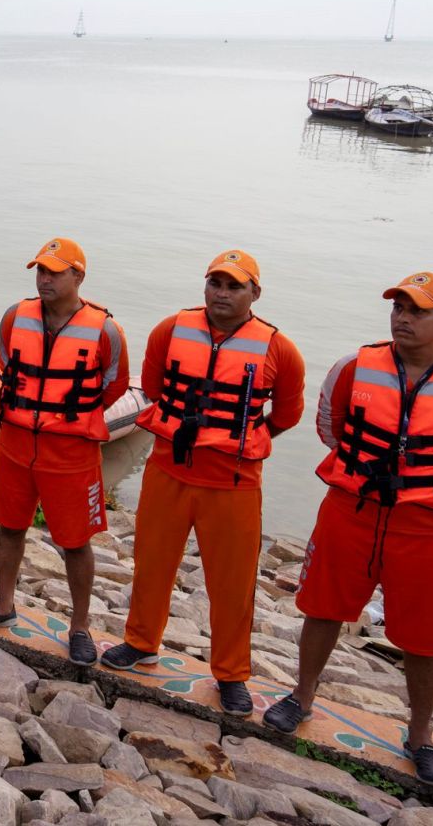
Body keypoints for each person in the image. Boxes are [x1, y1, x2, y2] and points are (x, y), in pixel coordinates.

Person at [265, 272, 433, 791]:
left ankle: (420, 737)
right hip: (351, 509)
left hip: (428, 525)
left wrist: (424, 482)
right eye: (397, 307)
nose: (402, 317)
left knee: (426, 637)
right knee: (323, 607)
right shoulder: (352, 368)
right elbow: (329, 426)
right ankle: (301, 697)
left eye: (417, 309)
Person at [100, 250, 305, 719]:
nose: (222, 293)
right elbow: (151, 386)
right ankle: (140, 642)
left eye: (234, 286)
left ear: (255, 292)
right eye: (215, 283)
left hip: (233, 482)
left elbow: (289, 414)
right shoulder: (171, 329)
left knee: (232, 584)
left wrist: (247, 438)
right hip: (169, 470)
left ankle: (231, 674)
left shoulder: (278, 349)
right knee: (151, 564)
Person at [0, 238, 128, 665]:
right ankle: (3, 606)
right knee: (9, 526)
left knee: (75, 542)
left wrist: (70, 419)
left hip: (70, 451)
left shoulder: (104, 330)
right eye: (40, 271)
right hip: (17, 443)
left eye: (54, 272)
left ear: (78, 276)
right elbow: (6, 363)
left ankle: (79, 626)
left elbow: (113, 385)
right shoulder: (15, 316)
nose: (44, 279)